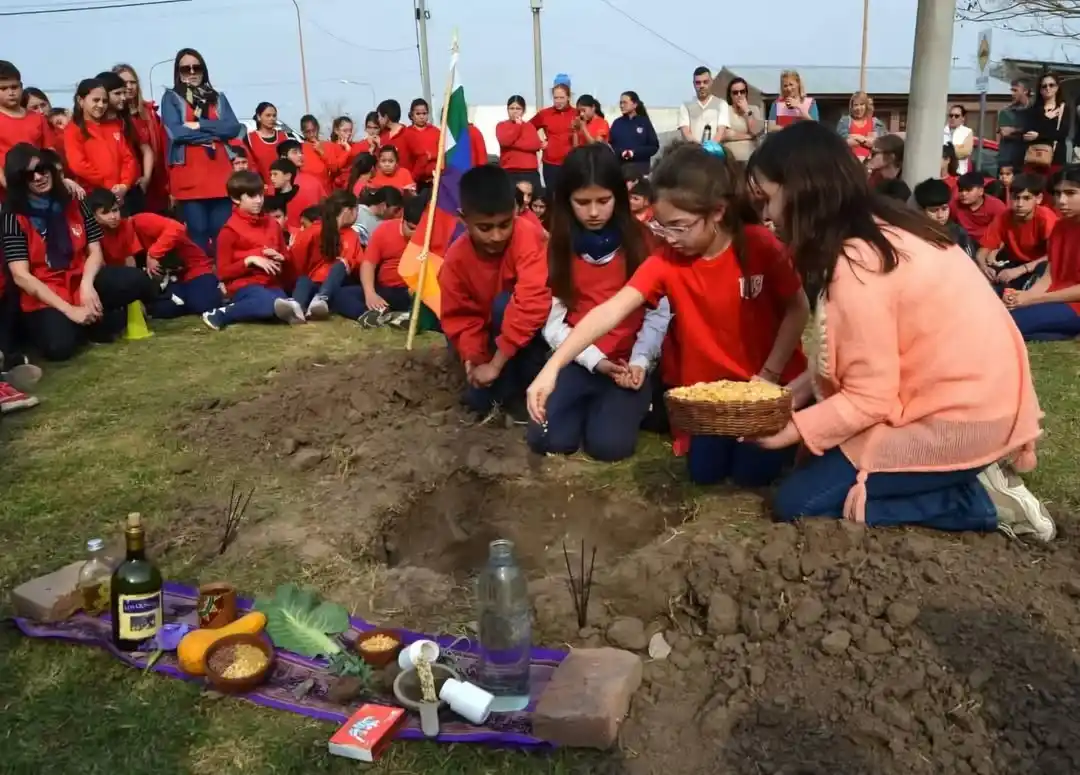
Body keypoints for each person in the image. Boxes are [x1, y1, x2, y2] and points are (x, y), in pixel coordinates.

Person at [744, 120, 1051, 541]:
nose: (766, 216)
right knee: (817, 462)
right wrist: (786, 397)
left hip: (961, 420)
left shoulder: (858, 263)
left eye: (767, 199)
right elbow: (865, 362)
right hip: (979, 401)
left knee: (800, 501)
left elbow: (869, 398)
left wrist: (791, 430)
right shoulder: (887, 226)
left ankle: (977, 501)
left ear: (802, 190)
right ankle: (962, 476)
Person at [528, 142, 809, 487]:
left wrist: (768, 375)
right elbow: (611, 310)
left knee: (752, 474)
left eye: (679, 226)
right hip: (711, 396)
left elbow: (799, 308)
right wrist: (552, 368)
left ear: (717, 212)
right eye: (663, 227)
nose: (670, 238)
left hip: (765, 389)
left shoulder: (758, 245)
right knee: (704, 473)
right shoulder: (666, 261)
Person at [526, 144, 669, 462]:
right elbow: (554, 324)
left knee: (609, 447)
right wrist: (596, 361)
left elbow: (658, 313)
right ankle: (593, 406)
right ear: (567, 201)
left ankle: (636, 404)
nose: (593, 212)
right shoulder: (557, 248)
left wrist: (640, 361)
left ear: (618, 197)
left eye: (603, 201)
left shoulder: (645, 243)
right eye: (582, 202)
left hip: (628, 363)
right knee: (546, 437)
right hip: (580, 360)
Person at [1, 143, 157, 361]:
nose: (38, 177)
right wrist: (69, 310)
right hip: (46, 292)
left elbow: (95, 250)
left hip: (81, 277)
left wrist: (86, 286)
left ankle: (94, 318)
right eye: (28, 175)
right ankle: (90, 323)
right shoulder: (12, 216)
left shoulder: (74, 200)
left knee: (138, 281)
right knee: (60, 347)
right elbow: (21, 276)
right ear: (19, 181)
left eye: (41, 169)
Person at [441, 164, 551, 420]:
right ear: (463, 219)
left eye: (504, 225)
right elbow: (460, 317)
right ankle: (502, 390)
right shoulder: (455, 260)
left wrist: (496, 364)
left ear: (514, 212)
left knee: (505, 305)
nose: (496, 236)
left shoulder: (528, 235)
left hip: (532, 337)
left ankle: (526, 387)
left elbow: (533, 302)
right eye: (485, 228)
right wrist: (474, 359)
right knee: (479, 401)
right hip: (491, 336)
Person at [87, 188, 221, 318]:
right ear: (94, 217)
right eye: (105, 213)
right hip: (164, 280)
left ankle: (201, 292)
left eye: (115, 210)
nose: (113, 217)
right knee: (163, 309)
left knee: (204, 304)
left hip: (194, 268)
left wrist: (153, 253)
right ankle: (179, 297)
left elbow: (177, 228)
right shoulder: (99, 239)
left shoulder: (139, 221)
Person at [161, 48, 242, 253]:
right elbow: (176, 132)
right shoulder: (171, 97)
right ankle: (200, 271)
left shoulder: (218, 97)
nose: (191, 72)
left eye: (196, 68)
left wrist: (199, 125)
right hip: (189, 175)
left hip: (220, 175)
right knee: (198, 231)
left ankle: (221, 271)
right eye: (185, 69)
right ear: (178, 72)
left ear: (203, 70)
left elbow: (233, 128)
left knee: (221, 231)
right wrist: (213, 135)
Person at [203, 170, 301, 330]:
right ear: (236, 199)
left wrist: (282, 257)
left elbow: (286, 257)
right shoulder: (229, 231)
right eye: (252, 196)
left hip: (272, 285)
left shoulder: (272, 224)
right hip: (244, 286)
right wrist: (249, 261)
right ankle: (221, 313)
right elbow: (223, 272)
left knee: (277, 305)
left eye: (261, 195)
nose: (259, 201)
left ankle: (272, 308)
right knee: (268, 304)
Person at [1006, 166, 1080, 341]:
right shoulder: (1060, 226)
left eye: (1070, 193)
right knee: (1002, 315)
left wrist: (1034, 299)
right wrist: (1026, 296)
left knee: (1008, 325)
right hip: (1055, 298)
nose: (1061, 201)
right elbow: (1050, 275)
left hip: (1074, 305)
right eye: (1057, 193)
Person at [63, 78, 141, 212]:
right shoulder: (73, 129)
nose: (101, 105)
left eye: (104, 101)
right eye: (95, 100)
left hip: (120, 195)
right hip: (93, 197)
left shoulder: (114, 126)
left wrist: (124, 185)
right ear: (81, 100)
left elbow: (128, 158)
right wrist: (108, 184)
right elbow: (78, 165)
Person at [976, 173, 1056, 295]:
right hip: (1016, 264)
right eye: (1015, 198)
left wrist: (1021, 270)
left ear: (1038, 199)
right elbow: (982, 251)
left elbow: (1055, 256)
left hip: (1043, 267)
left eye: (1026, 198)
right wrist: (984, 267)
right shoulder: (1003, 217)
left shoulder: (1046, 218)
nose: (1019, 204)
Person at [288, 190, 362, 321]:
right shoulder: (315, 231)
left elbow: (360, 264)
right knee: (304, 281)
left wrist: (349, 264)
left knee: (340, 265)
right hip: (314, 283)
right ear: (347, 211)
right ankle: (296, 307)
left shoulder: (352, 235)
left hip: (337, 286)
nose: (358, 214)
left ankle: (321, 299)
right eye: (356, 210)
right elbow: (297, 258)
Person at [355, 193, 426, 327]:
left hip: (414, 292)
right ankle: (374, 314)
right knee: (343, 294)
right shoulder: (385, 229)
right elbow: (368, 264)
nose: (415, 234)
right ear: (403, 219)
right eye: (411, 228)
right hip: (386, 290)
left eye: (420, 230)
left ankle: (400, 315)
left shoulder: (432, 237)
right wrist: (370, 293)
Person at [0, 61, 67, 197]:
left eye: (14, 87)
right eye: (4, 88)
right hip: (9, 191)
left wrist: (59, 180)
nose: (11, 92)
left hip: (40, 184)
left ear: (21, 87)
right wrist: (9, 187)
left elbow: (50, 152)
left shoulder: (37, 118)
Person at [113, 64, 170, 214]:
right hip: (125, 183)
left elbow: (156, 148)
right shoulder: (113, 118)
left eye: (133, 82)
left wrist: (148, 178)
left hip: (153, 182)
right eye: (124, 83)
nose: (129, 87)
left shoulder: (149, 114)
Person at [530, 76, 576, 193]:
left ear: (568, 97)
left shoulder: (576, 113)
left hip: (572, 163)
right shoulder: (545, 114)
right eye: (556, 98)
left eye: (562, 98)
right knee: (552, 196)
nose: (558, 101)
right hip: (551, 164)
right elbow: (528, 128)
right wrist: (539, 143)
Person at [913, 177, 975, 257]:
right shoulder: (914, 233)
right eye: (933, 210)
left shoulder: (958, 234)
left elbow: (969, 260)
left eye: (944, 208)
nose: (940, 215)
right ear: (921, 210)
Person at [1024, 72, 1068, 176]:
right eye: (1044, 86)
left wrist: (1039, 135)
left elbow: (1062, 133)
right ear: (1040, 90)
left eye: (1051, 85)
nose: (1048, 88)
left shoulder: (1064, 109)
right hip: (1034, 157)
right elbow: (1027, 133)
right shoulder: (1033, 110)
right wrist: (1046, 118)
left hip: (1056, 157)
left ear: (1057, 87)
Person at [609, 90, 659, 179]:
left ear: (635, 105)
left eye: (625, 102)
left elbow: (654, 147)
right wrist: (621, 153)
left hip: (641, 172)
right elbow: (610, 146)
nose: (621, 105)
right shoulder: (617, 123)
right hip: (620, 171)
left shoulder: (644, 122)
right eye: (620, 103)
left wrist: (634, 153)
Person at [497, 95, 543, 192]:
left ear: (523, 110)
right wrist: (517, 127)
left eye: (518, 108)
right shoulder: (501, 125)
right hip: (509, 171)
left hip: (529, 171)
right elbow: (504, 141)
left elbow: (535, 145)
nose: (515, 111)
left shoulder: (529, 126)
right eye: (511, 108)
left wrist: (512, 144)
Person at [953, 171, 1008, 245]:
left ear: (981, 191)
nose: (963, 194)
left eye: (968, 190)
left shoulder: (997, 206)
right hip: (964, 242)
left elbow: (1004, 234)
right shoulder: (954, 204)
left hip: (989, 244)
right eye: (960, 190)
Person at [268, 157, 322, 233]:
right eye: (270, 175)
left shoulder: (304, 193)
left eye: (275, 174)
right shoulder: (269, 193)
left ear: (288, 176)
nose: (272, 178)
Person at [677, 66, 729, 143]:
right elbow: (686, 133)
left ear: (711, 82)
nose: (702, 86)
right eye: (698, 83)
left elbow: (721, 132)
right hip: (693, 149)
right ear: (694, 84)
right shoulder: (685, 106)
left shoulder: (721, 104)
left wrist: (709, 147)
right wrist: (699, 148)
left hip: (715, 149)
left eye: (705, 82)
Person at [722, 78, 764, 164]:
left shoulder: (754, 109)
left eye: (742, 92)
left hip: (751, 158)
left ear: (746, 93)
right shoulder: (725, 110)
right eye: (735, 92)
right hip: (730, 159)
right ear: (730, 95)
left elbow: (756, 131)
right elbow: (726, 134)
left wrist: (747, 111)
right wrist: (750, 136)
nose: (739, 95)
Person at [298, 114, 345, 191]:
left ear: (318, 128)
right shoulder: (299, 148)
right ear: (303, 132)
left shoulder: (328, 145)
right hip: (306, 189)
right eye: (308, 132)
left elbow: (334, 168)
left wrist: (322, 152)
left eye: (314, 130)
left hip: (324, 190)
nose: (312, 134)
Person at [247, 102, 287, 191]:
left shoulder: (283, 136)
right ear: (259, 117)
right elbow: (251, 166)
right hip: (263, 189)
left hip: (284, 188)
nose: (272, 118)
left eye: (274, 116)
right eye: (268, 115)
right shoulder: (250, 138)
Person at [402, 98, 440, 191]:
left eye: (424, 113)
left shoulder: (436, 132)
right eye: (418, 114)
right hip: (415, 180)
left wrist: (430, 156)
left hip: (434, 179)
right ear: (412, 115)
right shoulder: (407, 133)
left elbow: (442, 153)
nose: (421, 117)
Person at [837, 92, 884, 163]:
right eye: (856, 105)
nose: (858, 108)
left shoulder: (875, 122)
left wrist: (856, 137)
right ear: (852, 107)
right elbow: (843, 142)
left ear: (866, 105)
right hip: (849, 162)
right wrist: (865, 139)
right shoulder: (845, 121)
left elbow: (876, 144)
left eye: (862, 104)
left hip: (870, 163)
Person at [997, 79, 1031, 172]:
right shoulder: (1006, 111)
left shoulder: (1034, 110)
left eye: (1015, 90)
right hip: (1008, 160)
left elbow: (1038, 130)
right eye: (1012, 90)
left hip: (1029, 159)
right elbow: (1005, 133)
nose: (1012, 94)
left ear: (1025, 91)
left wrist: (1014, 130)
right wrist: (1025, 132)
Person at [376, 99, 412, 174]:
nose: (378, 120)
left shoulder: (408, 133)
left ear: (386, 117)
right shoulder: (383, 138)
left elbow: (421, 157)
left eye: (379, 116)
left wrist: (412, 176)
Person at [944, 104, 974, 175]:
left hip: (959, 174)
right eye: (951, 115)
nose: (953, 118)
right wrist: (958, 147)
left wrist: (947, 150)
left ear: (963, 118)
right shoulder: (941, 131)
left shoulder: (967, 132)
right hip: (942, 173)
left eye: (956, 116)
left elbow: (966, 152)